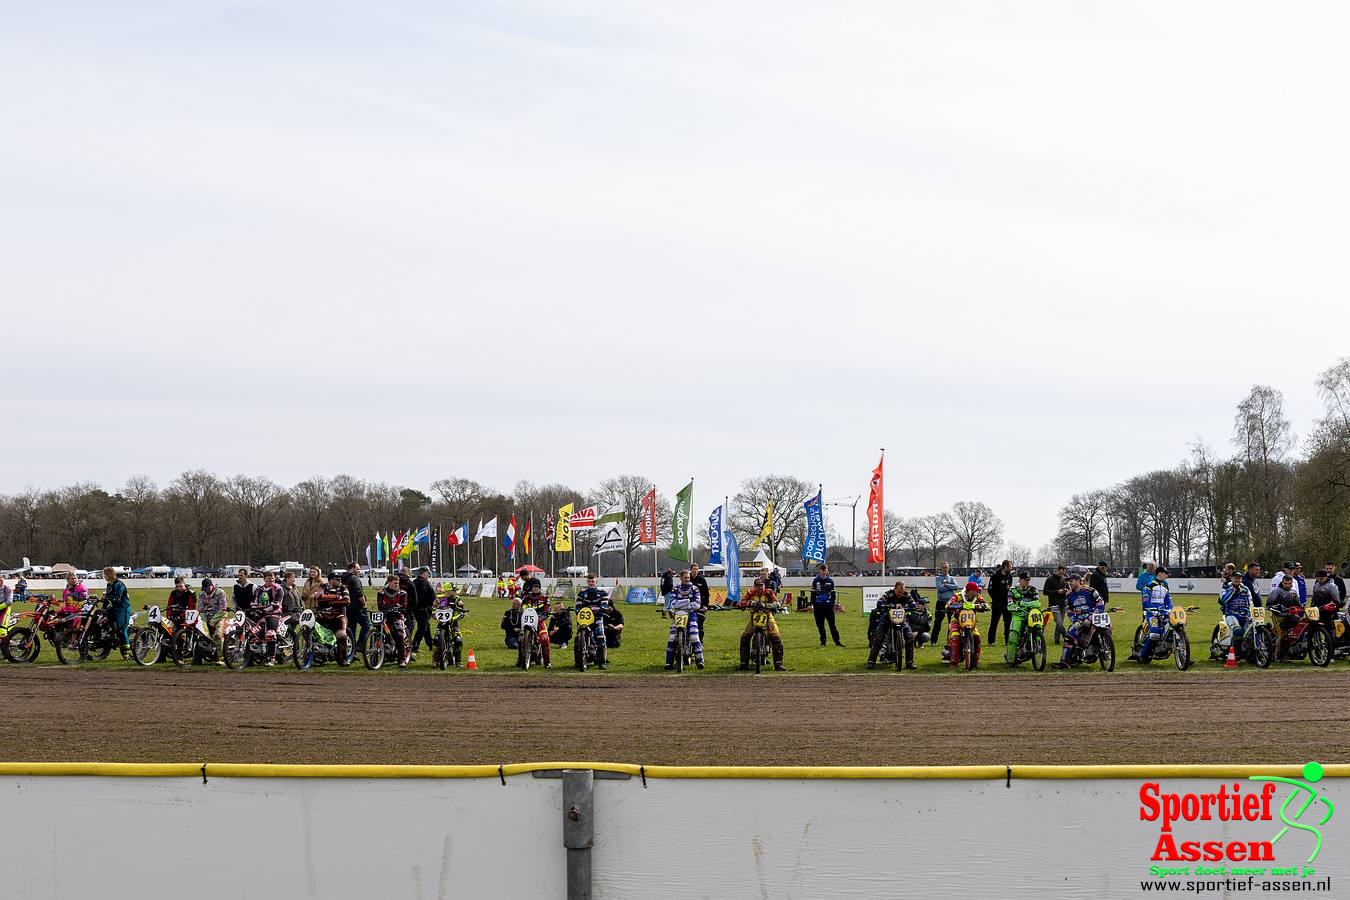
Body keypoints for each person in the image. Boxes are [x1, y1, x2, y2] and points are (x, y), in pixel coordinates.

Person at [1054, 572, 1107, 668]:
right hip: (1079, 619)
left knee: (1107, 627)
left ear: (1079, 581)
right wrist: (1075, 621)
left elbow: (1100, 602)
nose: (1069, 583)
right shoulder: (1069, 595)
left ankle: (1104, 649)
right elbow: (1069, 610)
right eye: (1069, 581)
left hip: (1094, 616)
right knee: (1070, 632)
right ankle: (1065, 661)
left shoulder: (1090, 590)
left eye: (1071, 581)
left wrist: (1094, 614)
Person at [1126, 567, 1171, 665]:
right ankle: (1143, 656)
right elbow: (1146, 601)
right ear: (1159, 574)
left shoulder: (1166, 587)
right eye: (1165, 573)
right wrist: (1153, 610)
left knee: (1171, 631)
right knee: (1154, 634)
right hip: (1151, 613)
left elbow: (1168, 601)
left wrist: (1169, 609)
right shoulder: (1148, 586)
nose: (1167, 576)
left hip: (1163, 613)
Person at [739, 577, 785, 671]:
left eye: (761, 585)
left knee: (776, 637)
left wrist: (766, 605)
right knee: (745, 637)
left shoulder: (769, 592)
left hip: (768, 616)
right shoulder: (750, 593)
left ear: (764, 586)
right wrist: (750, 603)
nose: (759, 588)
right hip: (754, 617)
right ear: (754, 586)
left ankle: (778, 663)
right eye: (757, 586)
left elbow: (777, 603)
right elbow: (741, 602)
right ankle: (744, 663)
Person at [866, 580, 915, 670]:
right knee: (878, 638)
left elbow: (913, 604)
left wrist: (905, 608)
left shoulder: (907, 595)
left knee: (909, 636)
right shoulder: (888, 594)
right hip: (887, 619)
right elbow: (879, 603)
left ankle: (910, 662)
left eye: (902, 591)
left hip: (902, 619)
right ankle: (871, 662)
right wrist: (892, 605)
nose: (901, 593)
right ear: (894, 588)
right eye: (899, 591)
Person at [666, 570, 705, 670]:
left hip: (691, 614)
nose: (687, 579)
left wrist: (682, 604)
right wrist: (688, 602)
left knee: (694, 635)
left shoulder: (694, 589)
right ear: (680, 578)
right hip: (678, 614)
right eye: (685, 577)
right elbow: (673, 604)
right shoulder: (675, 589)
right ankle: (669, 662)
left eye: (688, 577)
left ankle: (699, 660)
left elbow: (697, 604)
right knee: (672, 637)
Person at [943, 581, 985, 666]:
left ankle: (975, 661)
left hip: (971, 622)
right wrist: (959, 606)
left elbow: (986, 605)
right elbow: (948, 605)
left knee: (977, 638)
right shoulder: (958, 596)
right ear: (970, 591)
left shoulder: (978, 597)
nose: (977, 592)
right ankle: (954, 662)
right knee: (955, 638)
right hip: (956, 621)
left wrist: (977, 606)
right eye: (976, 590)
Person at [1213, 571, 1253, 660]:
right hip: (1231, 614)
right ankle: (1236, 655)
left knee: (1251, 630)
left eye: (1239, 578)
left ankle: (1250, 653)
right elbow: (1223, 599)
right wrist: (1233, 591)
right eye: (1235, 578)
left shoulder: (1245, 589)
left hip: (1245, 615)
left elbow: (1250, 603)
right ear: (1231, 578)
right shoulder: (1226, 587)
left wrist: (1250, 613)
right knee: (1238, 631)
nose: (1237, 579)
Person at [375, 575, 411, 667]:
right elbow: (380, 605)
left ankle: (402, 659)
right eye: (395, 583)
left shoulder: (403, 593)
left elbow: (404, 606)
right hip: (385, 616)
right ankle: (377, 657)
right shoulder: (381, 593)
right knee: (378, 633)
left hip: (398, 616)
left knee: (399, 635)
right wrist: (388, 608)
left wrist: (397, 608)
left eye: (398, 583)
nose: (397, 585)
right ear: (389, 582)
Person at [316, 572, 351, 665]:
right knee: (314, 633)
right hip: (322, 615)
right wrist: (337, 597)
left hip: (338, 616)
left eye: (340, 579)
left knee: (341, 635)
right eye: (337, 579)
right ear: (331, 580)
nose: (340, 581)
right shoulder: (322, 586)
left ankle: (342, 659)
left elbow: (346, 601)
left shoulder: (344, 588)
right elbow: (319, 597)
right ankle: (317, 656)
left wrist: (329, 601)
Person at [574, 575, 608, 669]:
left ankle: (602, 661)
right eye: (589, 581)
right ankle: (578, 661)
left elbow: (604, 605)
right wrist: (579, 610)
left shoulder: (602, 593)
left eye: (593, 581)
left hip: (597, 618)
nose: (591, 583)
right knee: (577, 638)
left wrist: (597, 609)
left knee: (600, 636)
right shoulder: (582, 593)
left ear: (596, 581)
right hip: (584, 619)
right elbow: (578, 606)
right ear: (587, 582)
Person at [1005, 572, 1041, 663]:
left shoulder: (1033, 589)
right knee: (1013, 634)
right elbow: (1010, 605)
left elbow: (1037, 603)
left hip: (1031, 614)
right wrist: (1016, 607)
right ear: (1020, 579)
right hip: (1018, 615)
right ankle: (1010, 659)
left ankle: (1038, 646)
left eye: (1028, 580)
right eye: (1025, 580)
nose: (1027, 582)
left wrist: (1022, 604)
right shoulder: (1012, 590)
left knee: (1038, 627)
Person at [253, 571, 284, 665]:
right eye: (269, 577)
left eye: (272, 577)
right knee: (254, 633)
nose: (271, 579)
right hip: (260, 614)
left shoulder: (278, 589)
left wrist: (264, 609)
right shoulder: (259, 589)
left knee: (270, 634)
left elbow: (276, 604)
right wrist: (254, 608)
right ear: (264, 578)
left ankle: (271, 658)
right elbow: (254, 601)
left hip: (274, 614)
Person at [101, 567, 132, 657]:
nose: (104, 576)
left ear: (110, 574)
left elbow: (117, 599)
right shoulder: (109, 585)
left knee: (122, 630)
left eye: (105, 574)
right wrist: (103, 606)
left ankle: (127, 654)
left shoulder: (119, 584)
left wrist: (106, 597)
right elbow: (108, 598)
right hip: (114, 608)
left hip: (123, 608)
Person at [811, 564, 843, 647]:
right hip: (818, 607)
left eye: (825, 570)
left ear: (827, 571)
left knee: (832, 625)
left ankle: (837, 642)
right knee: (820, 625)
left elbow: (833, 594)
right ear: (820, 570)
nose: (824, 572)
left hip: (828, 607)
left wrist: (831, 603)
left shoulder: (830, 581)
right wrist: (814, 604)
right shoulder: (815, 581)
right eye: (822, 570)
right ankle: (823, 642)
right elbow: (813, 594)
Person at [199, 577, 229, 664]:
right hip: (206, 617)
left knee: (218, 635)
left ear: (212, 586)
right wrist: (203, 621)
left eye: (208, 588)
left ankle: (222, 658)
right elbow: (201, 609)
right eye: (204, 589)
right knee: (201, 635)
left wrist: (212, 621)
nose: (206, 591)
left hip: (220, 616)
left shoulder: (220, 593)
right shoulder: (202, 594)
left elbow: (223, 609)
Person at [341, 562, 368, 653]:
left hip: (347, 607)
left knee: (351, 628)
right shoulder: (354, 578)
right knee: (366, 624)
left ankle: (351, 649)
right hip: (357, 608)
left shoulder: (343, 578)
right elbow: (359, 593)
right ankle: (360, 644)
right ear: (352, 568)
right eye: (358, 569)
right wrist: (364, 604)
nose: (359, 571)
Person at [987, 560, 1014, 645]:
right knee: (994, 622)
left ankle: (1007, 641)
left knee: (1008, 623)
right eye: (1010, 566)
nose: (1011, 567)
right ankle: (991, 641)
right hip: (997, 604)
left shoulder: (1010, 576)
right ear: (1005, 566)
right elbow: (990, 590)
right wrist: (996, 600)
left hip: (1007, 604)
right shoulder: (995, 576)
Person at [410, 567, 436, 655]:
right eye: (428, 573)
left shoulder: (416, 581)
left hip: (418, 609)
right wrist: (429, 604)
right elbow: (422, 596)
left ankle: (431, 644)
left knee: (426, 627)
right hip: (422, 609)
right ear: (424, 573)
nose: (429, 575)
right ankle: (414, 646)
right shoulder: (422, 582)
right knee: (422, 628)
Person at [932, 563, 960, 643]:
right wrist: (950, 587)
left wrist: (946, 585)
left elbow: (956, 587)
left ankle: (950, 640)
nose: (945, 569)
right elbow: (939, 588)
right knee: (937, 621)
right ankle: (933, 641)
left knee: (951, 622)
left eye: (946, 567)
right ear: (940, 569)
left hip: (951, 603)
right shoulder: (938, 578)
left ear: (948, 568)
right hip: (941, 602)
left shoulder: (951, 578)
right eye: (943, 567)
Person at [1042, 564, 1069, 644]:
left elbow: (1067, 588)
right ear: (1057, 570)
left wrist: (1065, 590)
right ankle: (1067, 638)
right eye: (1060, 573)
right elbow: (1045, 592)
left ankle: (1056, 639)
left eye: (1062, 573)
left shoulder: (1064, 579)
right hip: (1054, 604)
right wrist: (1057, 591)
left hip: (1063, 604)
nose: (1061, 575)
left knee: (1059, 623)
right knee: (1059, 623)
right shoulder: (1049, 579)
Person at [689, 563, 711, 639]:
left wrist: (706, 606)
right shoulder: (687, 579)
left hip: (700, 607)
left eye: (697, 569)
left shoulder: (702, 580)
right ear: (690, 570)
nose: (695, 571)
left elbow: (706, 594)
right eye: (694, 569)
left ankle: (700, 643)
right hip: (688, 606)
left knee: (700, 626)